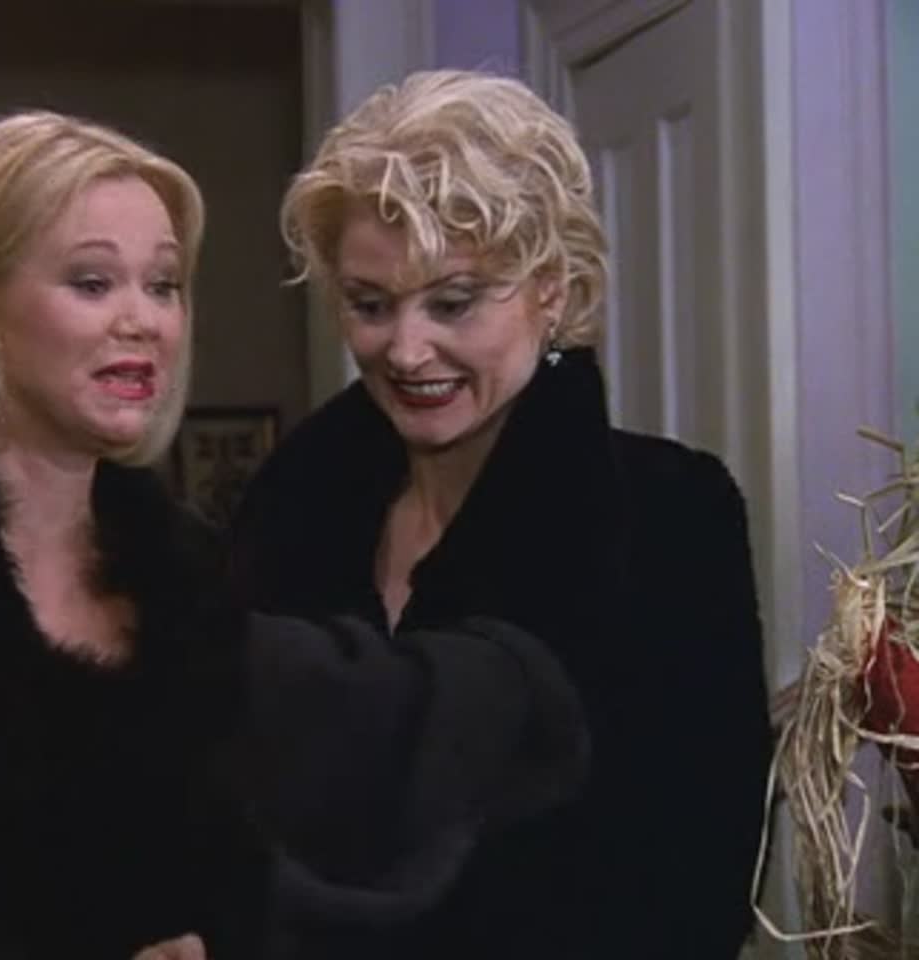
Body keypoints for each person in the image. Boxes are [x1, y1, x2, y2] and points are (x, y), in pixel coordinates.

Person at [0, 109, 590, 960]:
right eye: (93, 282)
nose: (143, 320)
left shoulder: (178, 554)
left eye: (164, 285)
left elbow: (241, 841)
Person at [232, 70, 773, 959]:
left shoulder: (671, 514)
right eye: (370, 305)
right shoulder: (288, 510)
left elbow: (702, 877)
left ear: (549, 289)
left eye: (453, 302)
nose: (407, 350)